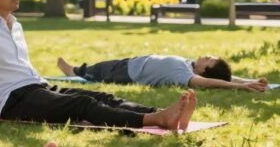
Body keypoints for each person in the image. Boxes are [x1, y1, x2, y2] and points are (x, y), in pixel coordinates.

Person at [0, 0, 198, 131]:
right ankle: (155, 120)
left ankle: (162, 113)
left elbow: (1, 67)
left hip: (37, 87)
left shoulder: (15, 25)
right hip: (15, 101)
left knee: (101, 97)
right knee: (82, 105)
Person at [56, 54, 270, 91]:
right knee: (100, 66)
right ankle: (74, 69)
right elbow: (222, 78)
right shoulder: (189, 66)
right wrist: (249, 81)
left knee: (96, 70)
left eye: (209, 59)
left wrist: (240, 87)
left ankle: (72, 70)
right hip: (132, 63)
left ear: (204, 70)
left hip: (126, 72)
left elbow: (208, 83)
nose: (206, 56)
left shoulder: (186, 76)